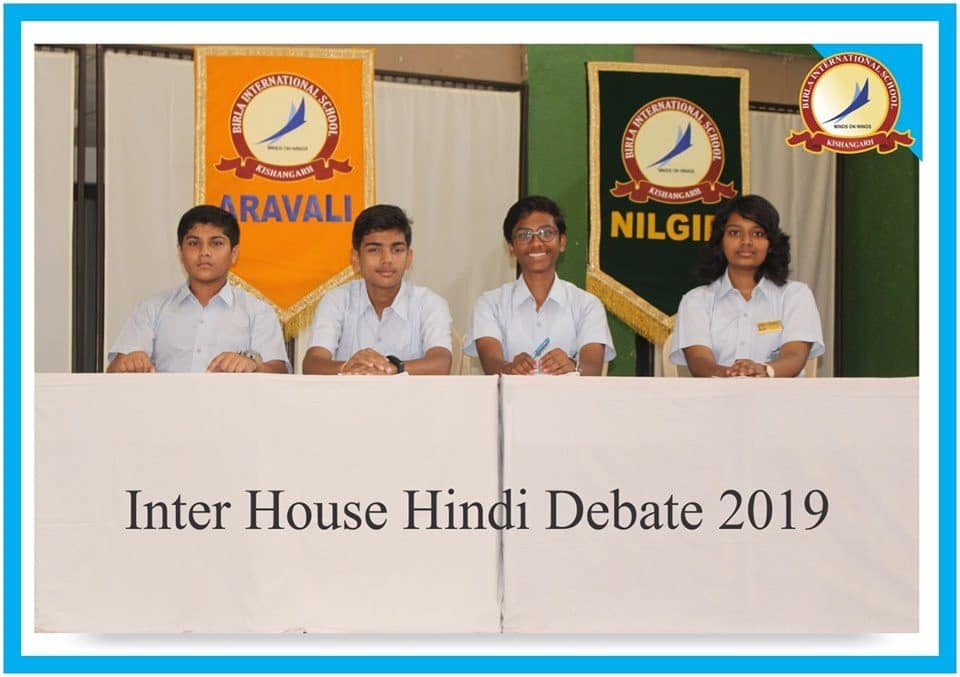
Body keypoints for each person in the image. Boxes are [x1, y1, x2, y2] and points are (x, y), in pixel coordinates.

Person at [107, 205, 291, 373]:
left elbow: (279, 372)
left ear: (234, 254)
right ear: (181, 252)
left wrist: (254, 366)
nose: (204, 252)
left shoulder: (258, 312)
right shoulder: (151, 309)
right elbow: (113, 371)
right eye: (194, 243)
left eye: (216, 243)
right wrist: (128, 362)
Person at [669, 194, 824, 377]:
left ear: (771, 243)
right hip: (717, 394)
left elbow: (795, 356)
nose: (746, 242)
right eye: (735, 233)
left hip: (780, 395)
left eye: (757, 234)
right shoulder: (696, 300)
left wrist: (763, 371)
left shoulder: (796, 295)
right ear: (721, 241)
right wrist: (733, 375)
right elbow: (699, 362)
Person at [464, 195, 615, 376]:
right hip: (512, 395)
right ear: (511, 247)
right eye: (524, 235)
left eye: (546, 233)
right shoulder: (490, 303)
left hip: (569, 395)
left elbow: (592, 368)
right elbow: (491, 364)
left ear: (562, 242)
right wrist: (509, 368)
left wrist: (572, 366)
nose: (536, 243)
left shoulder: (587, 304)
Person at [302, 204, 452, 375]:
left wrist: (393, 368)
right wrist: (349, 367)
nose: (387, 259)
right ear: (356, 258)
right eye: (375, 250)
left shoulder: (429, 303)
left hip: (410, 394)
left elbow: (441, 363)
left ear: (409, 258)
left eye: (397, 250)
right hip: (349, 393)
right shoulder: (337, 300)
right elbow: (312, 363)